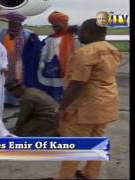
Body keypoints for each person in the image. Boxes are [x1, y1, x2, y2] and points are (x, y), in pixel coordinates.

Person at [50, 18, 121, 179]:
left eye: (81, 30)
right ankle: (90, 173)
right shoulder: (113, 50)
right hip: (107, 104)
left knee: (74, 144)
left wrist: (62, 108)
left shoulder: (85, 52)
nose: (79, 34)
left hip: (86, 106)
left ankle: (65, 176)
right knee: (97, 140)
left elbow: (77, 84)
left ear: (89, 32)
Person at [37, 11, 80, 102]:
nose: (54, 27)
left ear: (65, 23)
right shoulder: (50, 39)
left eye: (56, 25)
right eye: (53, 25)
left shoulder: (76, 38)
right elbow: (43, 56)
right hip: (53, 74)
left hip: (72, 72)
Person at [0, 11, 33, 106]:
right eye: (10, 23)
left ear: (20, 23)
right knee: (7, 81)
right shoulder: (2, 33)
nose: (12, 25)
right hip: (6, 62)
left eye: (14, 23)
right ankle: (7, 101)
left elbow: (33, 49)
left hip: (22, 63)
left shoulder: (27, 34)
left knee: (20, 81)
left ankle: (20, 101)